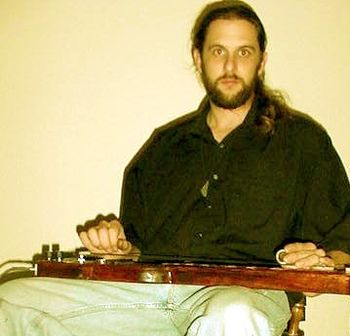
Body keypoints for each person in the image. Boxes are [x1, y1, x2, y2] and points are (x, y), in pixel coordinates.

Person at [1, 1, 350, 335]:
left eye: (243, 52)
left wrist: (324, 262)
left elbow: (342, 234)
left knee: (232, 315)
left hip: (248, 295)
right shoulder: (162, 147)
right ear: (198, 59)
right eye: (218, 51)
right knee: (10, 301)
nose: (230, 66)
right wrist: (120, 246)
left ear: (261, 61)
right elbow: (135, 245)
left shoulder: (303, 142)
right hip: (150, 295)